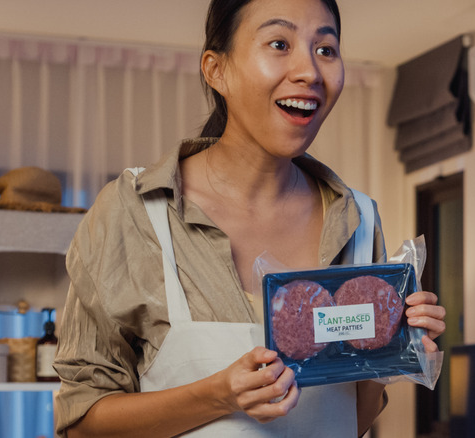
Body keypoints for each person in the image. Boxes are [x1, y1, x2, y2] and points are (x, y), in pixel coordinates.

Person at [53, 0, 446, 436]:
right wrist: (220, 394)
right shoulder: (136, 212)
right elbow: (81, 424)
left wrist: (393, 347)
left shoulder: (358, 220)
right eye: (280, 43)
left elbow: (347, 420)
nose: (310, 72)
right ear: (216, 69)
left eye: (326, 49)